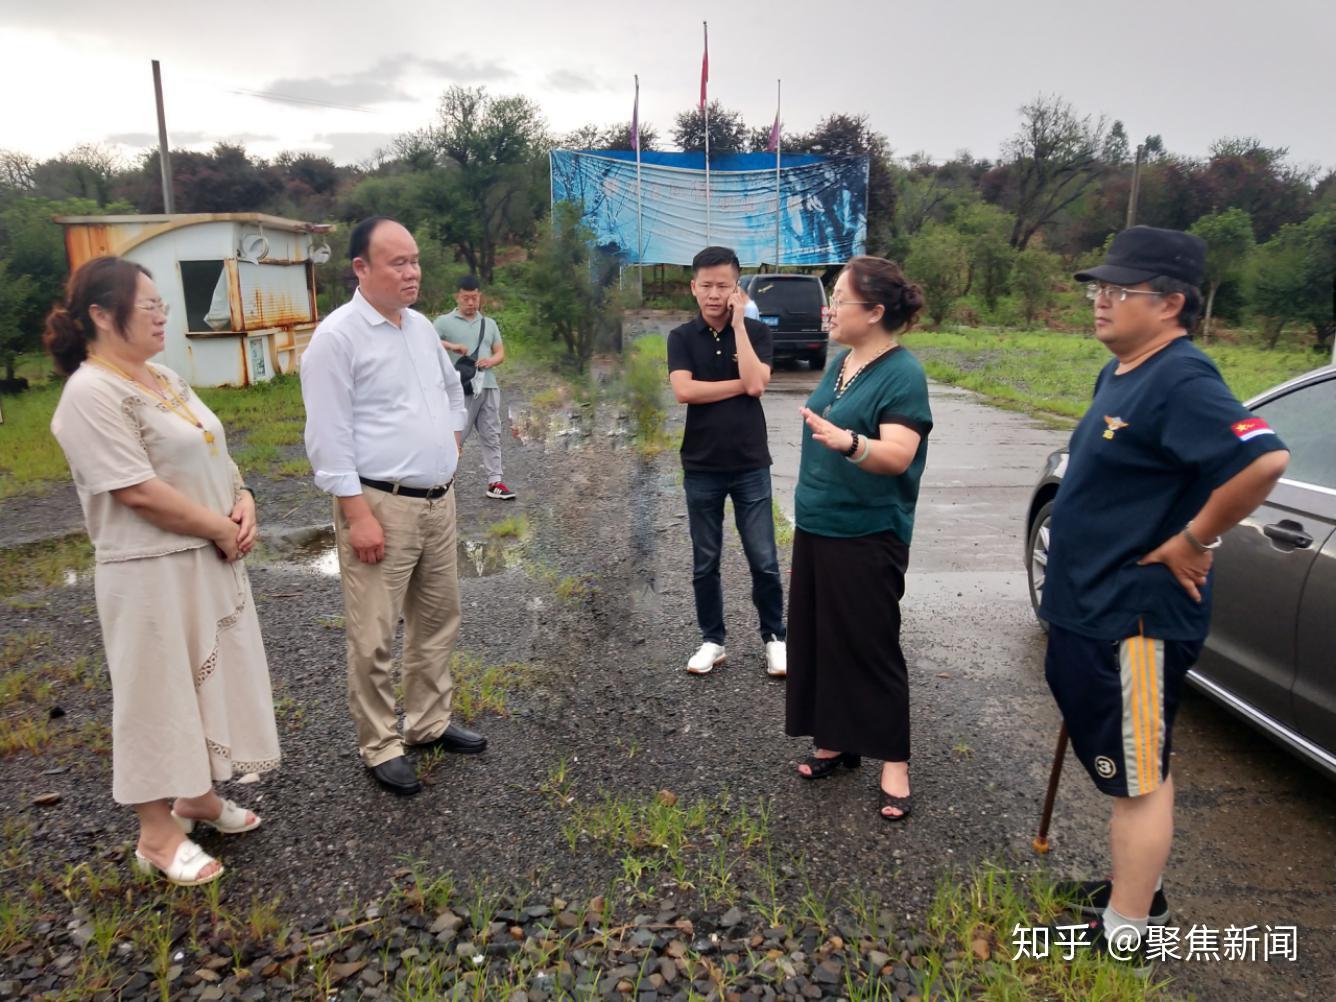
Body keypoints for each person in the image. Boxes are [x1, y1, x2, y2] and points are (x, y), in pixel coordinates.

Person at [1042, 226, 1289, 961]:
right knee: (1122, 763)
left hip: (1136, 621)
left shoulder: (1183, 376)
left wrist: (1196, 538)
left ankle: (1130, 933)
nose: (1101, 302)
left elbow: (1264, 457)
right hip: (1092, 607)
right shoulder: (1122, 371)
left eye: (1120, 291)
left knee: (1141, 778)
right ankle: (1132, 893)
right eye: (1098, 288)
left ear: (1172, 302)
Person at [45, 256, 280, 887]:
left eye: (161, 305)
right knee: (154, 694)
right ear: (100, 314)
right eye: (147, 305)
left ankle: (197, 798)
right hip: (147, 571)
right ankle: (156, 832)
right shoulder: (90, 393)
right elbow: (137, 491)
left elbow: (213, 450)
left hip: (204, 556)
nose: (160, 315)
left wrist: (243, 501)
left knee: (203, 680)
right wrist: (220, 528)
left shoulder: (163, 377)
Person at [301, 216, 485, 797]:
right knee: (374, 632)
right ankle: (380, 742)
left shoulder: (421, 328)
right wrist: (356, 514)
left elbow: (452, 392)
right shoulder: (338, 338)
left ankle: (429, 722)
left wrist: (450, 442)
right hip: (381, 504)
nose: (412, 272)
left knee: (436, 619)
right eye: (397, 263)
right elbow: (327, 437)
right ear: (361, 268)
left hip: (438, 500)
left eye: (415, 260)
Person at [784, 256, 932, 822]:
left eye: (840, 298)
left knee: (870, 644)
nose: (830, 307)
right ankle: (837, 740)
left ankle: (894, 759)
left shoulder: (903, 373)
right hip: (819, 522)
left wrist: (849, 443)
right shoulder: (843, 360)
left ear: (873, 312)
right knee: (820, 638)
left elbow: (898, 454)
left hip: (868, 531)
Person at [667, 246, 786, 678]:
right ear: (693, 287)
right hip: (701, 464)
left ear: (737, 288)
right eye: (707, 285)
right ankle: (712, 640)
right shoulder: (681, 337)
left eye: (724, 285)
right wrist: (741, 384)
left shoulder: (755, 332)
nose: (714, 293)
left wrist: (738, 325)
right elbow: (685, 392)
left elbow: (758, 385)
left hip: (751, 462)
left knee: (764, 559)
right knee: (705, 560)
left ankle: (775, 638)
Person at [435, 275, 515, 500]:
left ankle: (495, 482)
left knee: (492, 434)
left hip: (488, 387)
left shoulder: (488, 324)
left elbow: (500, 352)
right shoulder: (443, 322)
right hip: (461, 390)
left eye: (474, 298)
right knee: (455, 436)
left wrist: (491, 361)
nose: (471, 303)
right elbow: (428, 341)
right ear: (457, 297)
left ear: (480, 297)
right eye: (466, 298)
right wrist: (452, 346)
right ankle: (444, 480)